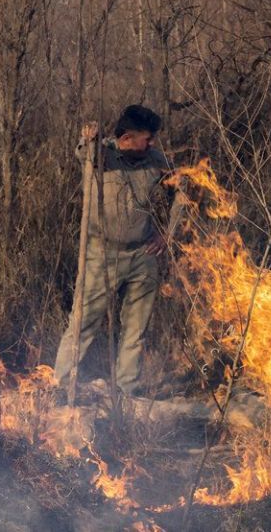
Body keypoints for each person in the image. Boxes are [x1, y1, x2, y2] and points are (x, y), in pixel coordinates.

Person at [53, 104, 184, 397]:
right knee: (83, 323)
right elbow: (85, 153)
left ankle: (126, 390)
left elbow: (184, 192)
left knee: (136, 330)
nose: (152, 144)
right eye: (146, 138)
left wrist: (167, 234)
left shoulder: (156, 162)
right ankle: (60, 387)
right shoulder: (102, 156)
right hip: (101, 255)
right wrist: (90, 138)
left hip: (144, 255)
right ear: (126, 137)